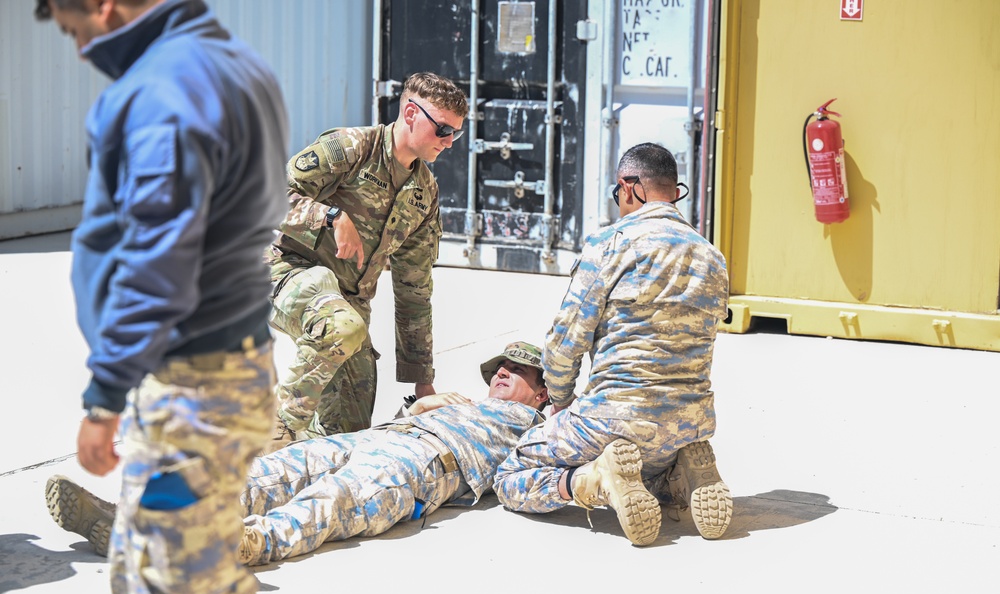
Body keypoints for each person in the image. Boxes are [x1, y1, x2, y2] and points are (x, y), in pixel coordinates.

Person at [35, 0, 288, 594]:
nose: (80, 49)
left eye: (76, 31)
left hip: (192, 390)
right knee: (183, 589)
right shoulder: (236, 66)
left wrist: (105, 395)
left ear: (102, 7)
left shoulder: (164, 88)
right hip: (228, 371)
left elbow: (159, 258)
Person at [47, 342, 549, 566]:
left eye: (517, 370)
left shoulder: (536, 428)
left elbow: (553, 465)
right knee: (267, 472)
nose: (502, 373)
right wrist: (423, 402)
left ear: (544, 392)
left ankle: (245, 544)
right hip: (379, 436)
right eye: (498, 367)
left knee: (331, 499)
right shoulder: (458, 401)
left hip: (425, 462)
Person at [493, 143, 733, 546]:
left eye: (616, 193)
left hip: (614, 416)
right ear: (674, 192)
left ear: (629, 187)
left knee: (510, 475)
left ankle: (592, 481)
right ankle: (677, 475)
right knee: (645, 470)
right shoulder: (712, 256)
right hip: (690, 421)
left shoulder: (611, 244)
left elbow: (566, 341)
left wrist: (562, 400)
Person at [267, 72, 469, 445]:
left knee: (346, 433)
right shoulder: (351, 148)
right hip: (287, 271)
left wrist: (423, 383)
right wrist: (329, 217)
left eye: (456, 132)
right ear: (410, 114)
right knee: (341, 326)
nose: (449, 142)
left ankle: (288, 461)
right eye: (442, 129)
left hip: (348, 304)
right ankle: (277, 425)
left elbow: (414, 289)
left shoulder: (423, 193)